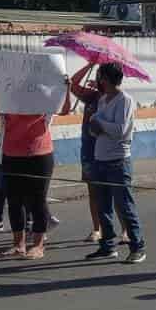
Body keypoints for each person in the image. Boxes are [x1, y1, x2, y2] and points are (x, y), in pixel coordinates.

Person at [0, 67, 59, 260]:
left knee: (37, 200)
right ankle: (18, 244)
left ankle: (39, 245)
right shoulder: (8, 98)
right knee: (14, 201)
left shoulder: (44, 97)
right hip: (11, 154)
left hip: (39, 155)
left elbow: (64, 109)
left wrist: (64, 88)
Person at [84, 62, 145, 264]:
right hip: (100, 158)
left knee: (125, 205)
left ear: (107, 79)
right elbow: (94, 129)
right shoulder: (102, 100)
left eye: (100, 76)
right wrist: (95, 125)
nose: (98, 80)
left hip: (118, 160)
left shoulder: (125, 100)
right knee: (103, 206)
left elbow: (121, 131)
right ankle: (107, 246)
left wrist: (99, 123)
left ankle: (137, 246)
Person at [64, 64, 106, 245]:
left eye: (101, 77)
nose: (98, 80)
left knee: (113, 191)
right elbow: (72, 83)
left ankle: (125, 230)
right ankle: (97, 228)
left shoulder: (114, 100)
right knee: (93, 192)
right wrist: (89, 64)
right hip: (89, 151)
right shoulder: (91, 97)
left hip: (107, 152)